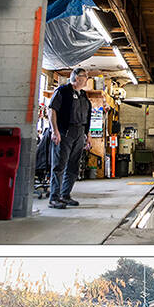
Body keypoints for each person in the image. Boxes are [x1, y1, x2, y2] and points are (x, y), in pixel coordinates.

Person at [48, 67, 92, 209]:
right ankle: (54, 198)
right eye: (84, 76)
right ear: (76, 78)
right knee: (59, 165)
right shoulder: (62, 91)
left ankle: (65, 195)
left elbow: (87, 117)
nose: (86, 78)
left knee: (73, 166)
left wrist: (88, 135)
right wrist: (55, 131)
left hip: (80, 133)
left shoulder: (83, 95)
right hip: (65, 132)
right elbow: (52, 110)